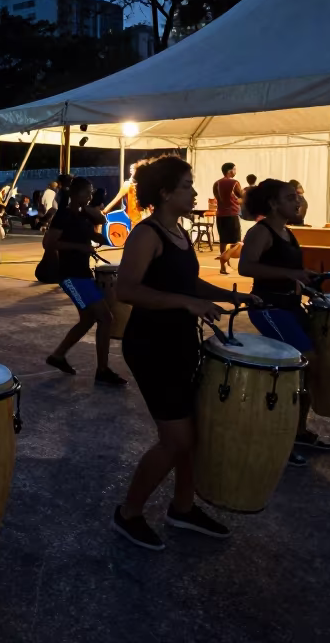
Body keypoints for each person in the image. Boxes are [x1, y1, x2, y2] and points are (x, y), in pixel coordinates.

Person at [113, 155, 251, 550]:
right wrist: (184, 303)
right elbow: (126, 290)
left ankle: (183, 507)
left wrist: (235, 296)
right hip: (151, 346)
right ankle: (128, 513)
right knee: (175, 440)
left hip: (180, 343)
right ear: (166, 192)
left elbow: (189, 282)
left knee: (193, 435)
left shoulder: (179, 232)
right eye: (188, 185)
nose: (194, 191)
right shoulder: (147, 233)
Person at [238, 179, 330, 465]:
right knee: (303, 364)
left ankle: (298, 430)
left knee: (307, 370)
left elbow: (289, 270)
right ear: (272, 203)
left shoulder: (288, 233)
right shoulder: (261, 232)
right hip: (268, 307)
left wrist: (306, 276)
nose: (297, 202)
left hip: (289, 306)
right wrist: (289, 275)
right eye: (290, 197)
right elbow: (246, 266)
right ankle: (279, 436)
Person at [43, 177, 127, 386]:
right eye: (86, 192)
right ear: (75, 194)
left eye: (90, 193)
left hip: (81, 274)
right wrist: (80, 248)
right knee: (105, 318)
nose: (90, 196)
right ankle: (102, 369)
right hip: (70, 277)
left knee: (88, 319)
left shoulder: (82, 215)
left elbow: (95, 232)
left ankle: (58, 355)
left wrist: (112, 236)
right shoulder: (63, 214)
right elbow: (49, 242)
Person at [213, 162, 244, 275]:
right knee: (237, 242)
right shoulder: (235, 183)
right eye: (235, 169)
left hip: (220, 214)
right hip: (232, 214)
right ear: (230, 171)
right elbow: (241, 196)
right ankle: (226, 257)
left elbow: (218, 198)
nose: (235, 172)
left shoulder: (216, 183)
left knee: (223, 240)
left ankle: (224, 266)